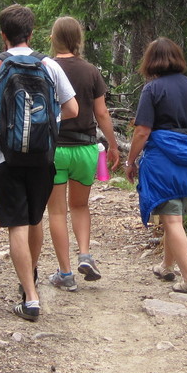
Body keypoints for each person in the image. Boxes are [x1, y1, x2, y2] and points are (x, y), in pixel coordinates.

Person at [0, 5, 78, 321]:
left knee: (16, 224)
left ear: (3, 35)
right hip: (43, 155)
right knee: (34, 219)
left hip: (5, 157)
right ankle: (32, 276)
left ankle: (30, 298)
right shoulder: (49, 66)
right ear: (31, 33)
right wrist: (46, 118)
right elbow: (72, 109)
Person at [125, 37, 187, 296]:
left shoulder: (152, 89)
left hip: (164, 163)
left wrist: (131, 160)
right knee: (176, 216)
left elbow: (142, 131)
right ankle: (166, 266)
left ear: (150, 61)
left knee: (171, 219)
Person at [45, 17, 121, 292]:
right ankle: (85, 254)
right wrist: (113, 145)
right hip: (86, 148)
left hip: (54, 151)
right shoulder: (91, 71)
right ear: (79, 39)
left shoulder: (46, 67)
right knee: (80, 206)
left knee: (56, 211)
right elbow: (101, 113)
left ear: (53, 38)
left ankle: (65, 273)